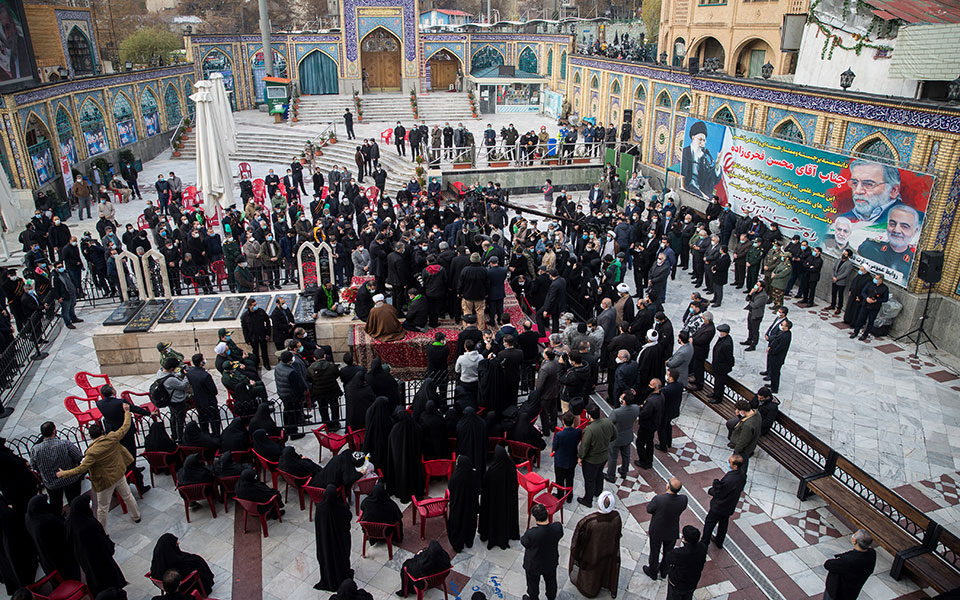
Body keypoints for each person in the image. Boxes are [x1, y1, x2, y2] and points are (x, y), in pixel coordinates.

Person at [57, 404, 141, 529]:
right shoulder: (112, 438)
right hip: (119, 474)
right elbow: (125, 426)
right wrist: (127, 412)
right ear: (102, 432)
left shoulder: (92, 452)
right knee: (128, 496)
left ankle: (103, 530)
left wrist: (63, 473)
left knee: (102, 508)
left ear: (91, 436)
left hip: (105, 481)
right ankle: (136, 516)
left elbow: (82, 469)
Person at [65, 495, 127, 595]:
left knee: (94, 579)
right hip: (101, 560)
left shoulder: (70, 523)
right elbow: (103, 541)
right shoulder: (90, 525)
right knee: (110, 581)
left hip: (85, 560)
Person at [568, 491, 622, 597]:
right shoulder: (616, 516)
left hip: (592, 551)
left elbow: (579, 539)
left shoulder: (590, 521)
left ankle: (589, 589)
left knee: (591, 572)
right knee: (604, 567)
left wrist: (578, 552)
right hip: (608, 550)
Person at [30, 421, 84, 511]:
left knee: (55, 503)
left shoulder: (36, 450)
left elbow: (34, 466)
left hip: (51, 482)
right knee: (74, 500)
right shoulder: (65, 444)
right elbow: (78, 456)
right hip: (70, 478)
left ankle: (58, 516)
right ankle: (77, 513)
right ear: (54, 431)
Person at [25, 495, 79, 580]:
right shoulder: (48, 521)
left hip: (46, 558)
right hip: (61, 556)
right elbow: (64, 529)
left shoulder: (30, 518)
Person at [644, 477, 688, 580]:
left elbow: (649, 509)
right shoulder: (683, 499)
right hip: (672, 530)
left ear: (668, 486)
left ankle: (652, 571)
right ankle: (664, 571)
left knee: (654, 552)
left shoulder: (659, 499)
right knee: (668, 552)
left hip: (657, 530)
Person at [478, 445, 520, 549]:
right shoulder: (511, 466)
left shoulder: (492, 471)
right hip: (507, 501)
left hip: (493, 502)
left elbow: (485, 489)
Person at [701, 454, 747, 550]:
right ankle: (719, 541)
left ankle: (704, 543)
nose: (728, 463)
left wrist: (711, 490)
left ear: (735, 466)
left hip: (719, 506)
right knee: (723, 523)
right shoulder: (742, 475)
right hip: (730, 506)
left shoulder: (730, 479)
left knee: (709, 523)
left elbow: (720, 492)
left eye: (730, 462)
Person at [521, 503, 565, 600]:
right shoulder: (557, 527)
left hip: (534, 564)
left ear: (534, 517)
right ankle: (551, 597)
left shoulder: (531, 533)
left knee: (533, 585)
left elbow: (524, 542)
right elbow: (560, 535)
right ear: (547, 512)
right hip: (550, 561)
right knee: (551, 582)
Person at [314, 483, 353, 591]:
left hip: (325, 541)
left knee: (328, 558)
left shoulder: (320, 508)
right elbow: (348, 517)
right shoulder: (340, 508)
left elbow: (318, 523)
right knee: (340, 558)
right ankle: (342, 578)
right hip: (340, 540)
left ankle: (330, 580)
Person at [577, 404, 616, 507]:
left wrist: (580, 457)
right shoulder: (608, 422)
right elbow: (614, 435)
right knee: (599, 474)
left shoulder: (589, 430)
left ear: (589, 415)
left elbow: (584, 446)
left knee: (589, 479)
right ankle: (598, 491)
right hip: (604, 456)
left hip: (591, 460)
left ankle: (588, 500)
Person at [150, 533, 215, 594]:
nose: (178, 543)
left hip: (166, 585)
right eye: (175, 543)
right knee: (199, 564)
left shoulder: (157, 562)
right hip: (181, 584)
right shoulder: (178, 563)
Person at [823, 529, 877, 600]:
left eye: (854, 535)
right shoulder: (872, 553)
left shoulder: (848, 560)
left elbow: (828, 564)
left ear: (855, 541)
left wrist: (839, 559)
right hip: (853, 591)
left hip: (837, 592)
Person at [659, 525, 709, 600]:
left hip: (678, 583)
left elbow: (668, 558)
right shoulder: (702, 548)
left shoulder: (679, 553)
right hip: (693, 581)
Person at [384, 408, 424, 500]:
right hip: (413, 458)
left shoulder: (396, 429)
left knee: (401, 474)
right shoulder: (415, 427)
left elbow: (391, 442)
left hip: (399, 460)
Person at [447, 455, 480, 553]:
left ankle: (458, 545)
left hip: (458, 507)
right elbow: (477, 489)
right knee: (470, 524)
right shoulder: (473, 475)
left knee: (457, 524)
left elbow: (451, 489)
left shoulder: (454, 478)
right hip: (471, 506)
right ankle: (469, 541)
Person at [606, 389, 638, 481]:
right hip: (627, 436)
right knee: (626, 455)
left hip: (616, 438)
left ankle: (610, 475)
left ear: (624, 401)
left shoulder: (616, 412)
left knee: (613, 457)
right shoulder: (636, 408)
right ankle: (624, 471)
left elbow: (609, 423)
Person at [185, 354, 220, 435]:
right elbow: (214, 391)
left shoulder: (190, 373)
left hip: (198, 400)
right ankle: (216, 435)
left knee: (203, 421)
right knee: (214, 421)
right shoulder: (206, 376)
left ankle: (205, 435)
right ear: (201, 362)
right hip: (209, 402)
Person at [849, 272, 889, 341]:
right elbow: (863, 292)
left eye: (877, 279)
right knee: (860, 319)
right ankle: (855, 332)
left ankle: (865, 334)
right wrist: (866, 298)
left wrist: (876, 300)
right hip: (865, 304)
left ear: (881, 280)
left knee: (870, 321)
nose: (875, 279)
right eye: (875, 278)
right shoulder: (870, 284)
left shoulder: (884, 288)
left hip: (874, 307)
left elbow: (885, 299)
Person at [158, 357, 190, 442]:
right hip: (177, 401)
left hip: (169, 400)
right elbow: (183, 386)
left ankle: (174, 435)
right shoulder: (170, 380)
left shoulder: (160, 372)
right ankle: (180, 438)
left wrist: (180, 373)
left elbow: (173, 375)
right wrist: (186, 375)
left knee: (173, 417)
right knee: (180, 421)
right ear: (171, 368)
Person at [635, 379, 663, 469]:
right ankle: (649, 460)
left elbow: (645, 414)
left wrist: (639, 413)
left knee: (640, 443)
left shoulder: (651, 401)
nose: (649, 386)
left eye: (651, 385)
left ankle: (643, 462)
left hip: (647, 425)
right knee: (649, 442)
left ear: (656, 387)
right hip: (654, 424)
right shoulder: (660, 396)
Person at [728, 400, 761, 474]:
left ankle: (740, 475)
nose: (736, 411)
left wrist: (736, 452)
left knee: (741, 465)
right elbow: (743, 420)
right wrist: (739, 416)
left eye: (737, 410)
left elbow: (743, 441)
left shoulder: (748, 425)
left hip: (744, 449)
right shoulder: (756, 413)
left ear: (742, 411)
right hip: (751, 444)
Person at [241, 298, 272, 369]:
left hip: (262, 335)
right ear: (249, 306)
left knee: (264, 350)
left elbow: (268, 322)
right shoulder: (245, 316)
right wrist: (247, 339)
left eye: (256, 304)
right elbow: (244, 329)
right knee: (255, 352)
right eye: (254, 305)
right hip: (253, 337)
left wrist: (268, 333)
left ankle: (266, 363)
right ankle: (256, 364)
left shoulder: (261, 312)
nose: (256, 306)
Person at [763, 319, 792, 393]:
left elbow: (779, 348)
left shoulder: (786, 336)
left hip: (777, 358)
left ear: (786, 328)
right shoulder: (782, 332)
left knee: (775, 373)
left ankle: (774, 388)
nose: (780, 325)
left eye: (782, 325)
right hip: (774, 355)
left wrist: (771, 351)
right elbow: (775, 339)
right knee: (773, 372)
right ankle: (772, 384)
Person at [657, 369, 683, 451]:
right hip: (673, 410)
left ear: (671, 378)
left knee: (661, 428)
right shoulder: (680, 385)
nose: (667, 376)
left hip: (665, 412)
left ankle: (663, 446)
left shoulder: (666, 390)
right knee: (668, 425)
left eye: (668, 375)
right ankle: (669, 442)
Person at [688, 312, 715, 391]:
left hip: (701, 352)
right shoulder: (705, 325)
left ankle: (699, 384)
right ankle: (696, 379)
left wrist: (693, 340)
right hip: (696, 350)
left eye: (703, 318)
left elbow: (703, 340)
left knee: (699, 368)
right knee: (696, 367)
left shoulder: (710, 329)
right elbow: (697, 332)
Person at [710, 324, 734, 404]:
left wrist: (730, 364)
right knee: (717, 382)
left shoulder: (727, 344)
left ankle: (718, 398)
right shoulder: (722, 339)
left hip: (722, 367)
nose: (720, 333)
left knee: (720, 383)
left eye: (721, 332)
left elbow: (729, 356)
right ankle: (715, 393)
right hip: (717, 366)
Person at [828, 249, 856, 316]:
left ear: (848, 256)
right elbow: (833, 269)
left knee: (840, 295)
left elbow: (846, 273)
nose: (844, 255)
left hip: (841, 282)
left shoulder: (849, 264)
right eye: (844, 253)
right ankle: (832, 305)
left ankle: (839, 308)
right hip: (834, 280)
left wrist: (837, 278)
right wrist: (833, 277)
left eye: (845, 254)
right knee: (833, 293)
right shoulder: (838, 260)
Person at [742, 281, 768, 351]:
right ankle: (749, 340)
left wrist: (750, 301)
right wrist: (750, 293)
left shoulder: (763, 296)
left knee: (755, 330)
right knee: (750, 328)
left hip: (756, 315)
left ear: (761, 287)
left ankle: (753, 345)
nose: (756, 286)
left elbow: (755, 305)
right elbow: (747, 298)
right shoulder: (754, 292)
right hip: (751, 313)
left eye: (757, 285)